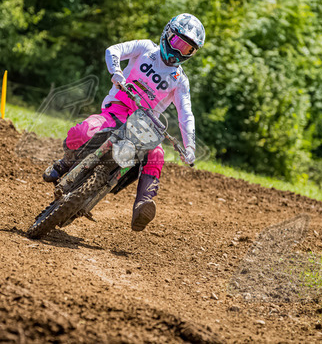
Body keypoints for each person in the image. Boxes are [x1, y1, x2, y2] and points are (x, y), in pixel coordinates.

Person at [43, 13, 205, 232]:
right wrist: (117, 72)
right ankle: (64, 163)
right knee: (82, 131)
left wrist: (190, 147)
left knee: (157, 154)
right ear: (168, 34)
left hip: (144, 125)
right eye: (177, 42)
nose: (179, 51)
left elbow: (186, 114)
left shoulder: (180, 80)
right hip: (118, 109)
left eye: (187, 49)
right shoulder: (145, 48)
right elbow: (113, 50)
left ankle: (143, 203)